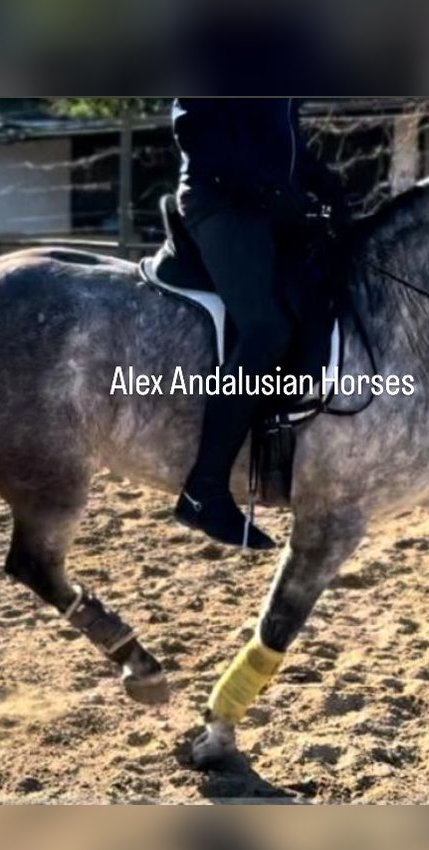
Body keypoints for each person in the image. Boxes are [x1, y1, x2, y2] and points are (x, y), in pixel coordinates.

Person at [170, 98, 349, 550]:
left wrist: (327, 185)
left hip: (268, 208)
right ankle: (204, 490)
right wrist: (269, 191)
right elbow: (195, 129)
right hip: (220, 201)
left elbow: (285, 146)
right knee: (265, 329)